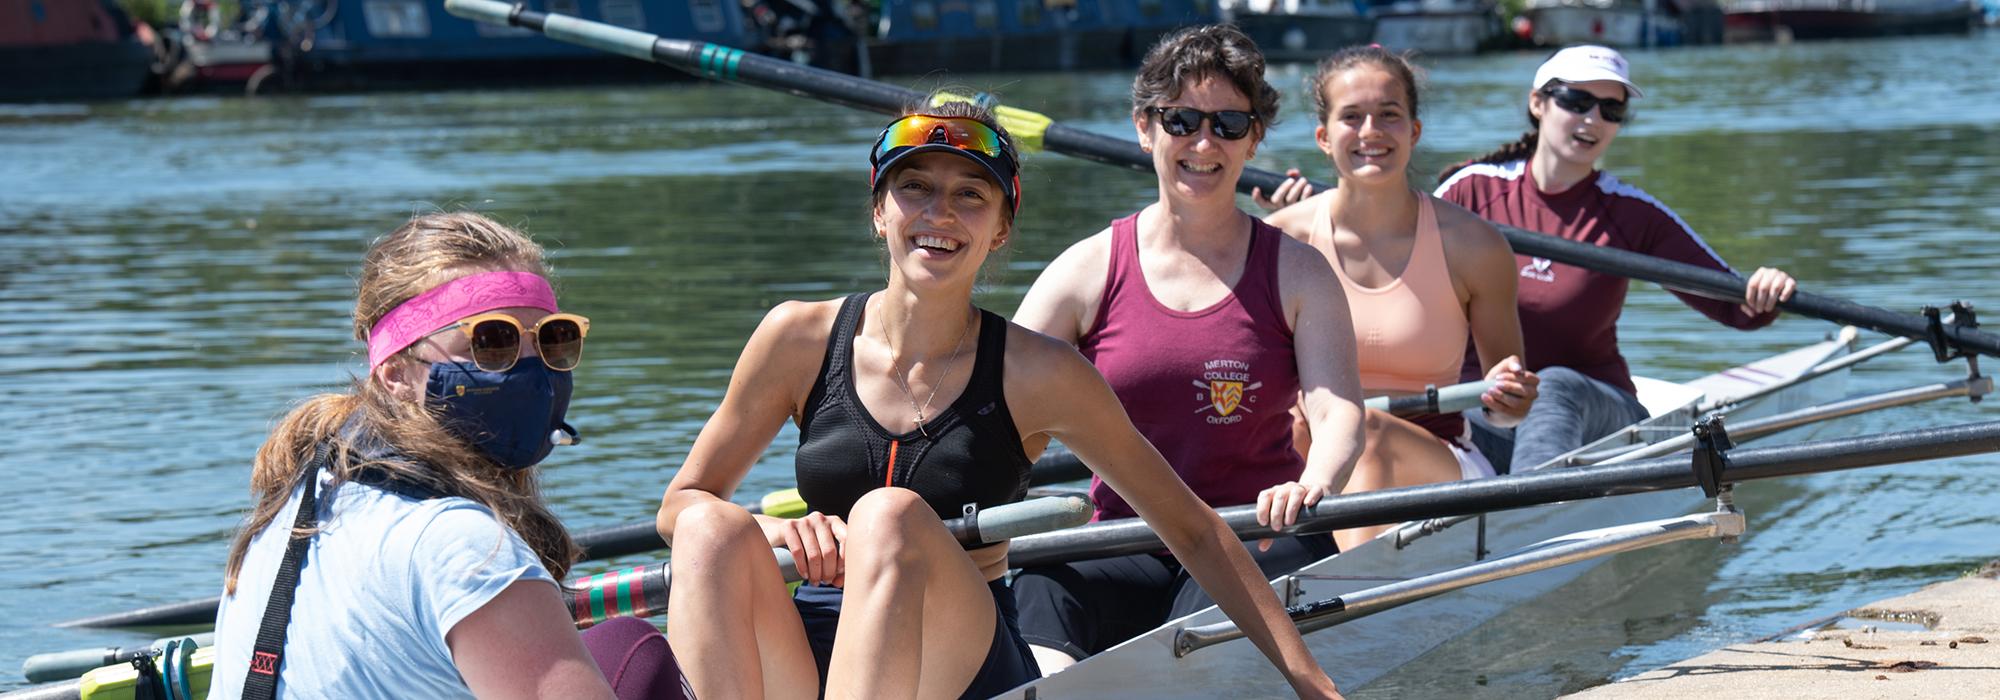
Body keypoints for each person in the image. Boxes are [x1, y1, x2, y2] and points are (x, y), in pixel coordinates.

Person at [654, 100, 1342, 699]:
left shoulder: (1039, 372)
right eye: (915, 188)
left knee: (889, 515)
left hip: (960, 657)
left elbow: (1192, 530)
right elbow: (680, 502)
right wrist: (778, 531)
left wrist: (1312, 683)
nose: (939, 214)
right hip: (810, 633)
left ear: (1001, 229)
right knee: (709, 530)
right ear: (878, 212)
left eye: (970, 197)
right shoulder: (795, 337)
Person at [1008, 25, 1366, 674]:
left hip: (1261, 533)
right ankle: (1053, 684)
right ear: (1145, 128)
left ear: (1255, 137)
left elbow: (1338, 410)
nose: (1204, 143)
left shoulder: (1299, 272)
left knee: (1205, 614)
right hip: (1128, 535)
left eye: (1229, 124)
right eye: (1182, 121)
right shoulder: (1086, 270)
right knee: (1044, 573)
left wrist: (1317, 482)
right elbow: (992, 405)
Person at [210, 212, 684, 699]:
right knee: (635, 648)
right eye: (491, 341)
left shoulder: (297, 498)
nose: (532, 370)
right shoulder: (469, 549)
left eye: (551, 339)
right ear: (395, 373)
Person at [1434, 45, 1796, 473]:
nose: (1592, 119)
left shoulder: (1631, 213)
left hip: (1600, 413)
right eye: (1577, 101)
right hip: (1487, 407)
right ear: (1538, 103)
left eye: (1611, 109)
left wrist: (1762, 290)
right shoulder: (1469, 192)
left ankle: (1533, 516)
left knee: (1551, 386)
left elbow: (1731, 303)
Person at [1264, 45, 1540, 551]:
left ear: (1413, 132)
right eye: (1352, 117)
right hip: (1304, 461)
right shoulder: (1280, 240)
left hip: (1436, 456)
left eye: (1389, 116)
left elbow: (1506, 411)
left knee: (1366, 430)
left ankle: (1344, 600)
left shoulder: (1473, 245)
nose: (1371, 131)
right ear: (1324, 138)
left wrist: (1511, 400)